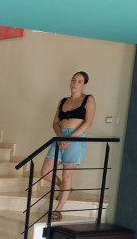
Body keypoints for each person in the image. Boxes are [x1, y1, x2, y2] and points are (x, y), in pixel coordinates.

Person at [40, 71, 96, 220]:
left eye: (79, 81)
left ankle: (58, 210)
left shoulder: (88, 99)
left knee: (67, 174)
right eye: (73, 80)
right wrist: (60, 137)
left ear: (84, 84)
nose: (75, 83)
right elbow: (55, 123)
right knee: (45, 172)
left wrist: (70, 138)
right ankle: (65, 188)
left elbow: (88, 122)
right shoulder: (63, 101)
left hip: (76, 139)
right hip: (60, 137)